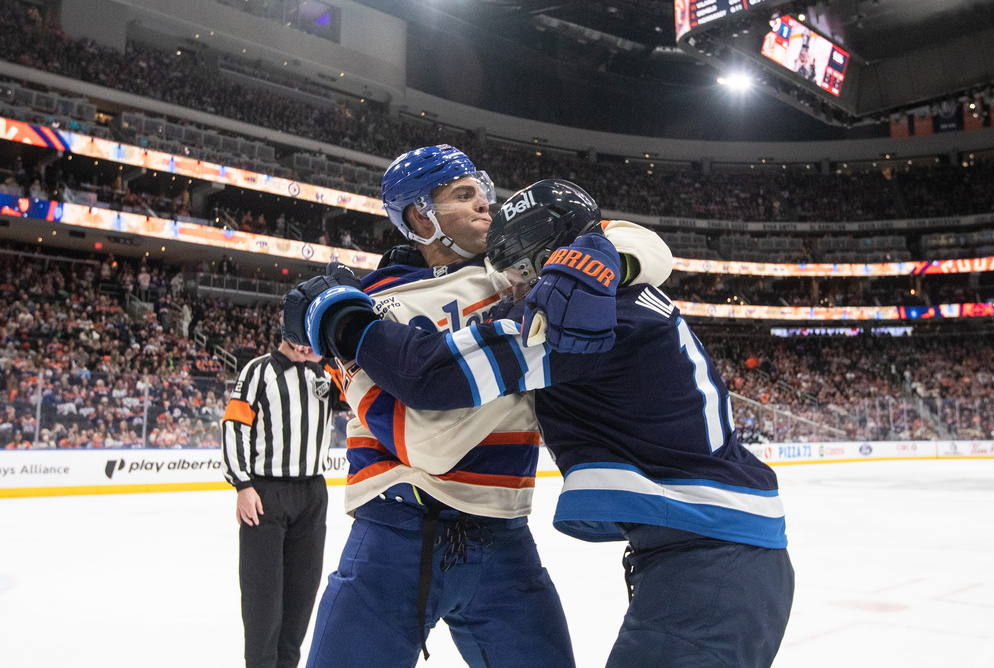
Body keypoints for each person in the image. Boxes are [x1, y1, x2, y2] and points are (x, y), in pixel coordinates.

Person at [292, 179, 794, 668]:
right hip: (709, 548)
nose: (510, 285)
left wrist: (344, 324)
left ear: (544, 256)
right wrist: (609, 257)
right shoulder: (609, 287)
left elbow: (431, 378)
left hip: (708, 559)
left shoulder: (576, 313)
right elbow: (634, 245)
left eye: (515, 267)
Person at [221, 329, 347, 668]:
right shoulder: (258, 371)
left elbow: (355, 395)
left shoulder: (324, 373)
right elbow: (234, 425)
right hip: (265, 494)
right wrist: (242, 485)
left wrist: (331, 356)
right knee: (263, 601)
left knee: (300, 600)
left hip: (312, 496)